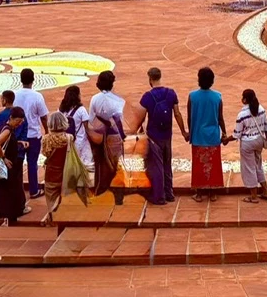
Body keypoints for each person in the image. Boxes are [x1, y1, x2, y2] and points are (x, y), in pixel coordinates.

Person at [134, 67, 184, 205]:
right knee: (167, 164)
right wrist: (184, 131)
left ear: (150, 79)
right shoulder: (171, 93)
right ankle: (169, 193)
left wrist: (136, 131)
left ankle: (159, 196)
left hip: (153, 136)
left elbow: (140, 117)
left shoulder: (147, 97)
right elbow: (177, 114)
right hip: (167, 135)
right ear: (160, 77)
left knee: (156, 166)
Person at [187, 66, 226, 202]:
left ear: (199, 79)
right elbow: (220, 118)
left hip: (198, 135)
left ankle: (199, 193)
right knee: (213, 164)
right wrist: (224, 133)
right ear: (212, 81)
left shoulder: (192, 96)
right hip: (213, 135)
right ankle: (212, 193)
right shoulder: (218, 97)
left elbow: (190, 117)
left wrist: (190, 133)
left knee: (198, 165)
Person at [13, 68, 50, 200]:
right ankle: (34, 190)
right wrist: (47, 131)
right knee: (32, 163)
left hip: (18, 135)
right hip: (33, 135)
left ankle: (17, 191)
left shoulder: (15, 95)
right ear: (33, 80)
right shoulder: (37, 96)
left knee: (17, 163)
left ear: (20, 80)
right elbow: (43, 117)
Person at [88, 70, 126, 198]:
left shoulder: (95, 98)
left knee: (100, 164)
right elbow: (118, 120)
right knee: (115, 164)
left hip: (99, 136)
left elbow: (91, 119)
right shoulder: (118, 100)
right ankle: (115, 191)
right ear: (112, 83)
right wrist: (122, 136)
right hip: (113, 135)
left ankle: (100, 191)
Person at [233, 89, 267, 203]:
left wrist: (225, 139)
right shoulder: (261, 109)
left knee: (249, 168)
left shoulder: (242, 115)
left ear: (245, 99)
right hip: (259, 141)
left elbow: (237, 134)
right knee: (258, 166)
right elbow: (266, 127)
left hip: (247, 143)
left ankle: (253, 196)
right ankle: (266, 192)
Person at [0, 106, 28, 226]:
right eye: (18, 121)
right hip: (7, 165)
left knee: (8, 190)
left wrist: (19, 142)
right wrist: (4, 158)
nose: (19, 124)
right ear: (11, 118)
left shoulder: (8, 128)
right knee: (7, 192)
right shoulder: (7, 130)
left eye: (21, 122)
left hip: (8, 166)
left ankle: (9, 217)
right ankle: (7, 218)